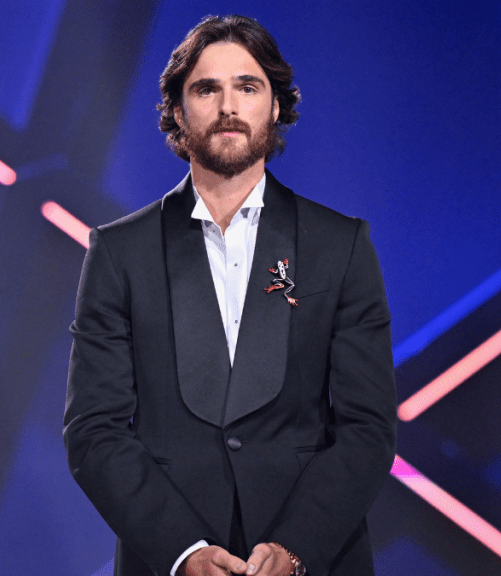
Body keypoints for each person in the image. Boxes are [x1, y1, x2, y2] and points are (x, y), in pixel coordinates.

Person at [64, 14, 396, 576]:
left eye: (247, 86)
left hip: (313, 560)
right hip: (169, 558)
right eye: (206, 88)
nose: (228, 107)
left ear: (275, 105)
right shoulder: (119, 252)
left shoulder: (341, 246)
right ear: (176, 109)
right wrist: (184, 550)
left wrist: (294, 548)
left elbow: (368, 427)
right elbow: (92, 430)